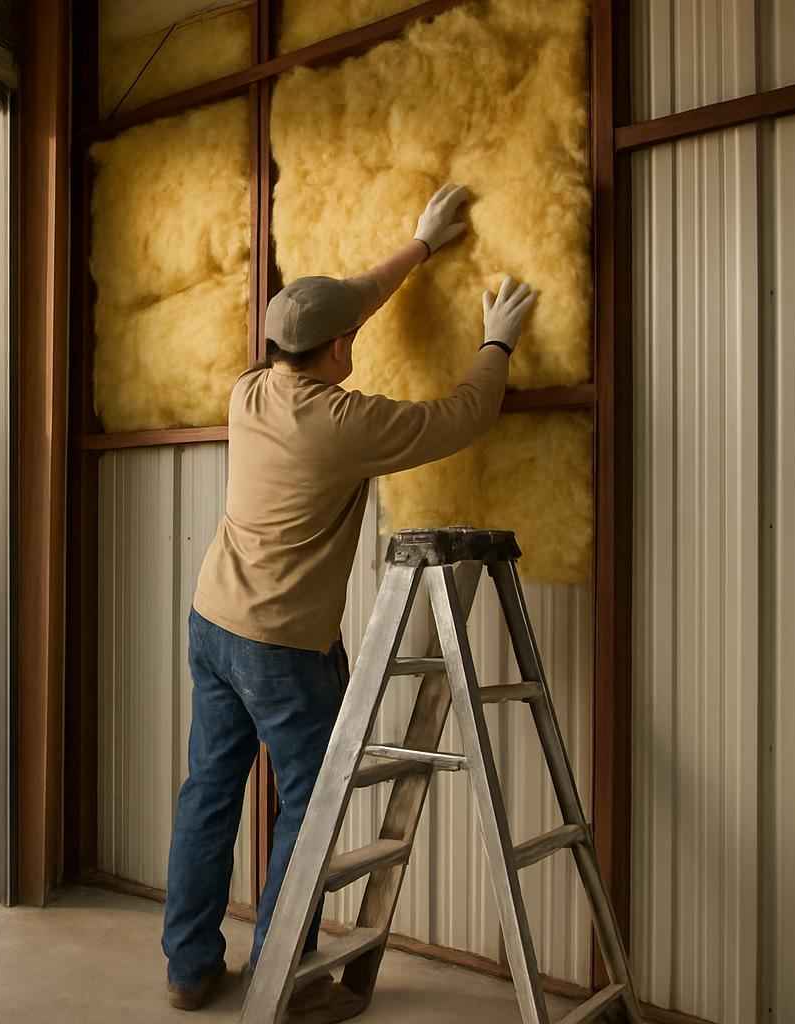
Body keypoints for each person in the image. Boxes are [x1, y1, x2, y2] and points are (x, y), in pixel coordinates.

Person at [162, 183, 536, 1020]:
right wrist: (496, 343)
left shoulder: (249, 390)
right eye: (351, 337)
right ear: (338, 350)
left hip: (212, 621)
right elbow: (464, 416)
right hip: (281, 647)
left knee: (210, 791)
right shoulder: (343, 422)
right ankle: (284, 983)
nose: (359, 335)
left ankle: (189, 970)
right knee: (310, 803)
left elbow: (347, 302)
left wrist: (421, 246)